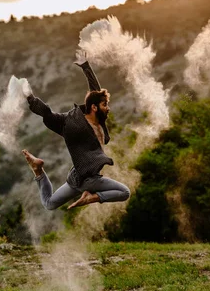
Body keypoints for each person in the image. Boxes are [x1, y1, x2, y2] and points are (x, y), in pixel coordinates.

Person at [22, 51, 130, 210]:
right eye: (105, 105)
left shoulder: (99, 120)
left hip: (76, 179)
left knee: (49, 204)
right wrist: (31, 98)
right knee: (125, 192)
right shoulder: (71, 122)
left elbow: (95, 90)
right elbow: (47, 113)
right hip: (90, 181)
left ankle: (38, 170)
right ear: (94, 108)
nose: (108, 108)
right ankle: (91, 198)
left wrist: (86, 66)